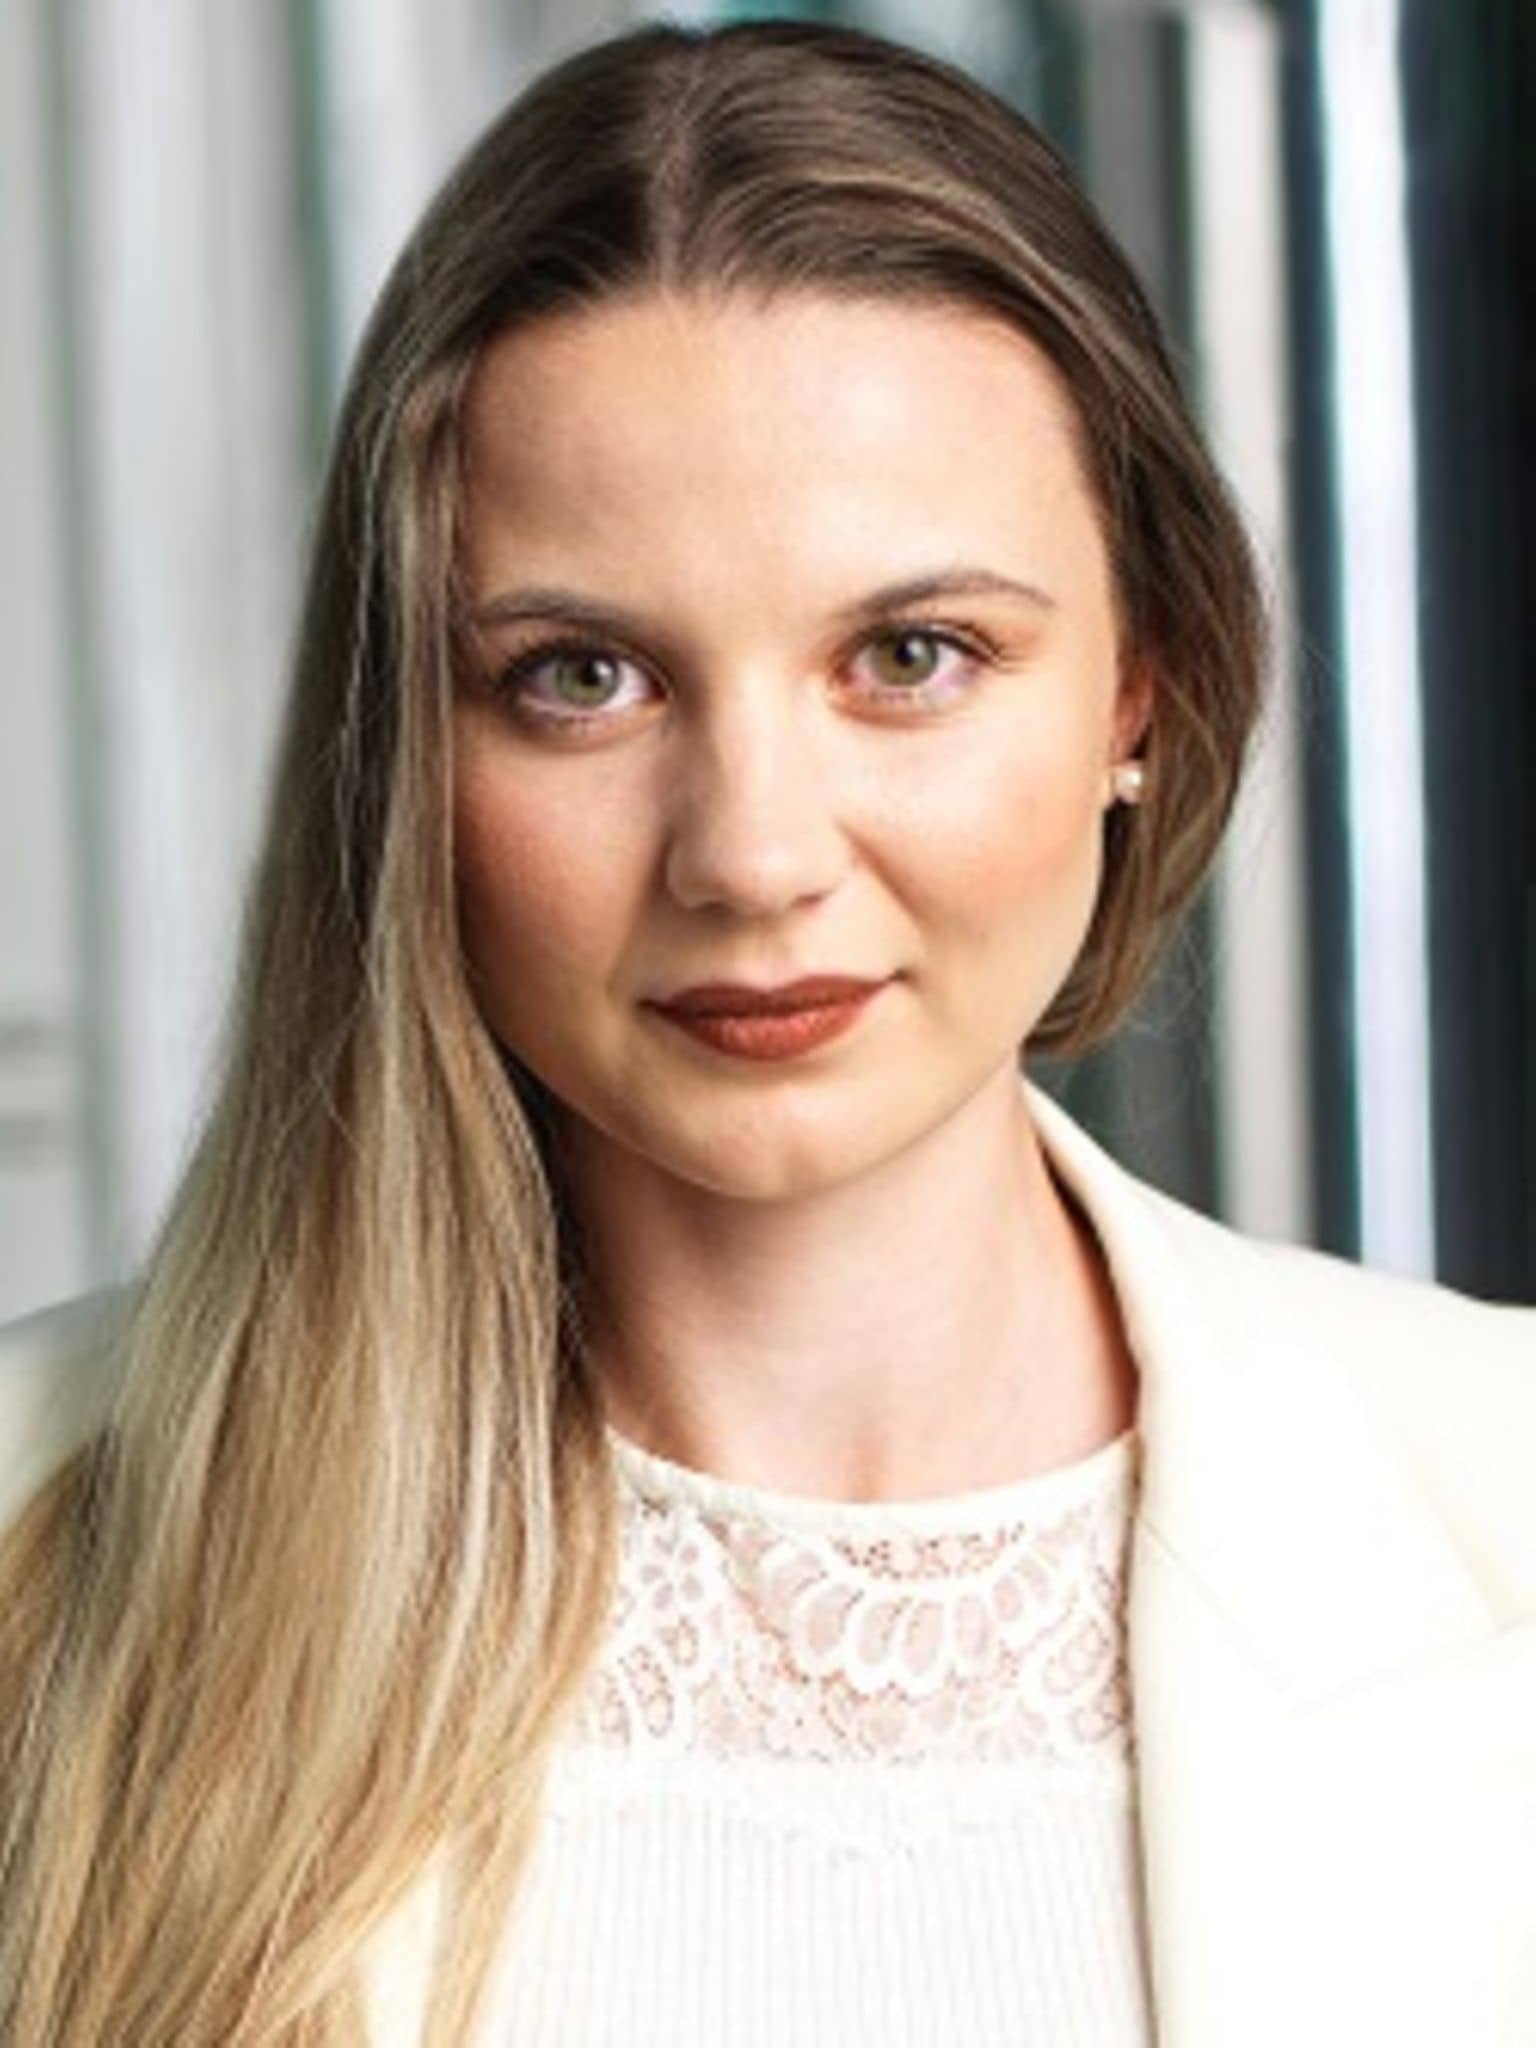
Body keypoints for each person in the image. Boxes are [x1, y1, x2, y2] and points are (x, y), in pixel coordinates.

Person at [1, 17, 1532, 2047]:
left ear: (1138, 697)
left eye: (911, 654)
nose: (751, 853)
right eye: (582, 677)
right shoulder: (35, 1536)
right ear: (409, 752)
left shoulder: (1504, 1499)